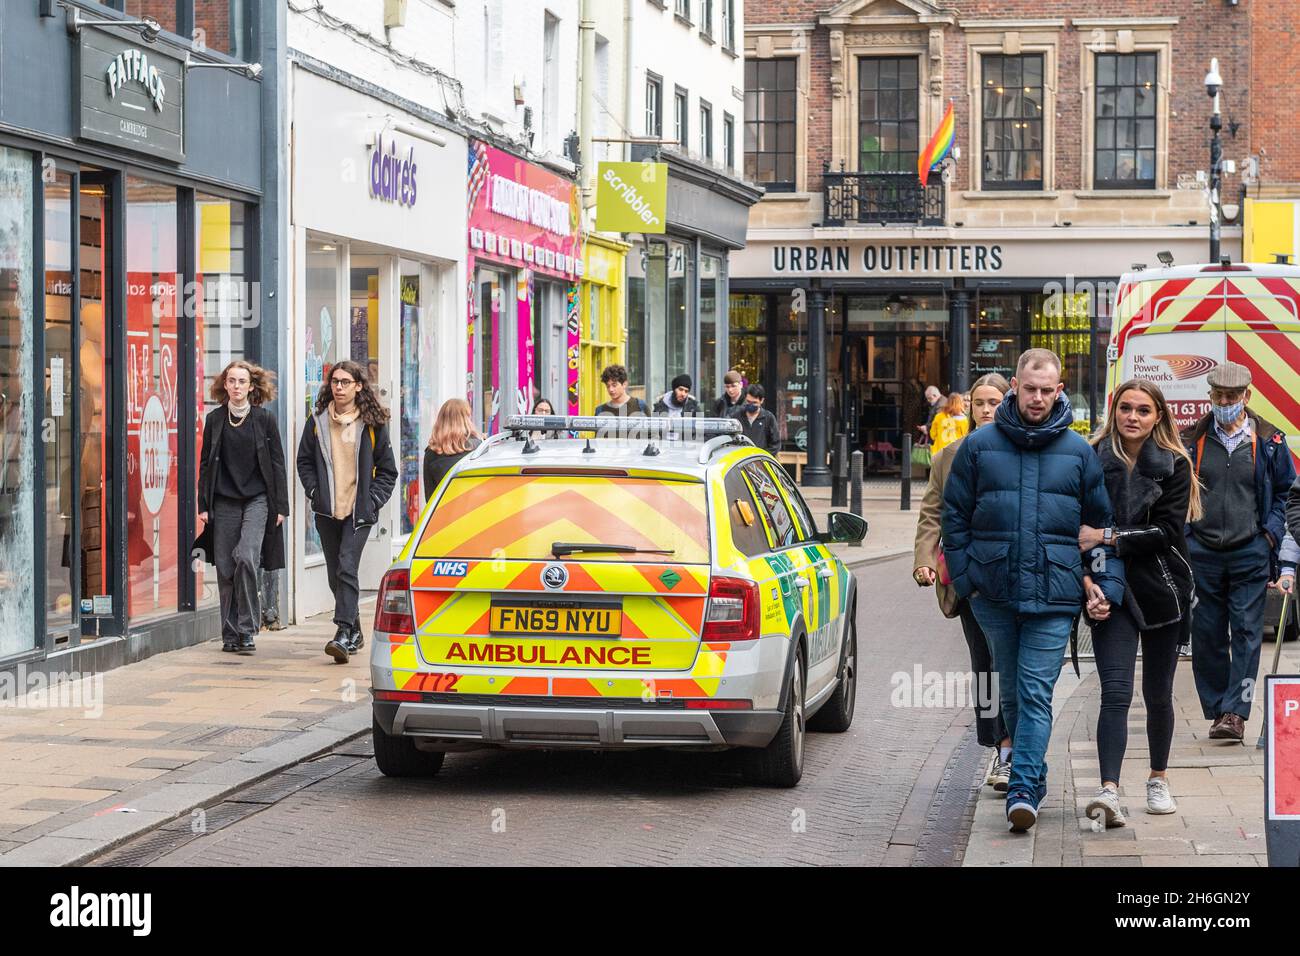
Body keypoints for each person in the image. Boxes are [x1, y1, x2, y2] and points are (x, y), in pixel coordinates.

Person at [943, 348, 1124, 833]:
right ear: (1016, 387)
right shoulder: (979, 446)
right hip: (993, 594)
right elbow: (953, 517)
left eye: (1047, 390)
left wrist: (1103, 583)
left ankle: (1022, 787)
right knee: (1010, 694)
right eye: (1030, 389)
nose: (1038, 398)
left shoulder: (1079, 452)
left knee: (1035, 690)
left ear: (1059, 390)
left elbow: (1099, 525)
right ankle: (1034, 777)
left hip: (1055, 593)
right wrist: (967, 581)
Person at [1080, 380, 1200, 827]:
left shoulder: (1173, 465)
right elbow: (1077, 529)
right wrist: (1087, 584)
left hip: (1162, 588)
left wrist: (1108, 536)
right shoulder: (1091, 458)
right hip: (1110, 588)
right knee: (1115, 692)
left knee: (1157, 693)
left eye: (1143, 410)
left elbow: (1167, 533)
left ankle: (1157, 778)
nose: (1133, 416)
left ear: (1158, 417)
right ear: (1115, 411)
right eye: (1126, 408)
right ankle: (1108, 790)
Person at [1183, 361, 1296, 741]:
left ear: (1247, 397)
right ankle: (1217, 707)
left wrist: (1270, 536)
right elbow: (1178, 493)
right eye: (1219, 395)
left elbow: (1285, 494)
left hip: (1250, 551)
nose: (1225, 402)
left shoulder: (1270, 441)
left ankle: (1235, 713)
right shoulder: (1191, 440)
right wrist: (1186, 537)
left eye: (1233, 396)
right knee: (1207, 632)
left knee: (1248, 632)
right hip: (1203, 552)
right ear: (1210, 396)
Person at [913, 373, 1012, 791]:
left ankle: (1015, 750)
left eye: (994, 402)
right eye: (979, 402)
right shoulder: (950, 455)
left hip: (1012, 575)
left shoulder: (1021, 450)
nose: (986, 410)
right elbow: (931, 512)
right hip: (969, 578)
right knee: (985, 665)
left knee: (1012, 664)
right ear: (968, 406)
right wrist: (925, 560)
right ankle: (1000, 746)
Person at [296, 360, 398, 665]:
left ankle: (341, 632)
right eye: (334, 382)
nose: (338, 387)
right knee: (334, 574)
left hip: (359, 511)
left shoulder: (373, 423)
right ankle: (355, 629)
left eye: (344, 382)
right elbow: (304, 462)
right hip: (328, 511)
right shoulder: (317, 421)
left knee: (346, 565)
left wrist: (372, 500)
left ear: (358, 386)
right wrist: (315, 492)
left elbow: (388, 471)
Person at [194, 361, 290, 655]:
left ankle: (248, 628)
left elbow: (277, 463)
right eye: (231, 381)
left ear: (252, 387)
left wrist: (281, 507)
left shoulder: (264, 420)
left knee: (246, 556)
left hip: (258, 499)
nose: (236, 386)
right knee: (225, 568)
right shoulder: (215, 420)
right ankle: (230, 634)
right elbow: (206, 464)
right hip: (223, 501)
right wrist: (203, 504)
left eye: (242, 381)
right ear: (225, 385)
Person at [424, 397, 481, 504]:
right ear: (466, 419)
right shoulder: (477, 447)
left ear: (441, 419)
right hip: (475, 512)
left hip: (445, 515)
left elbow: (430, 496)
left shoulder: (431, 452)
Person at [732, 383, 780, 453]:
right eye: (748, 401)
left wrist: (762, 457)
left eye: (754, 402)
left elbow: (775, 444)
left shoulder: (768, 418)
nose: (751, 405)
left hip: (761, 460)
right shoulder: (737, 417)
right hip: (741, 460)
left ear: (762, 400)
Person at [929, 391, 969, 457]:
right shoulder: (964, 420)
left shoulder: (939, 416)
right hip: (955, 454)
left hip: (938, 453)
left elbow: (932, 435)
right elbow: (965, 438)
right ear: (961, 403)